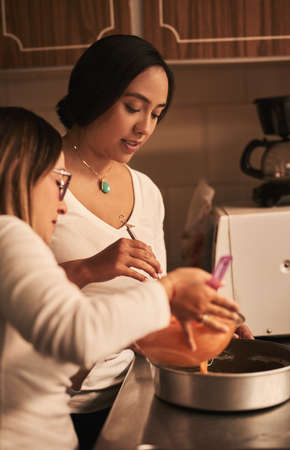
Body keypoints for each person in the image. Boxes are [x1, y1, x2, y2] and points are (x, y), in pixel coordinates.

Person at [51, 34, 253, 447]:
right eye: (132, 107)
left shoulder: (146, 191)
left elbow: (148, 306)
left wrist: (201, 322)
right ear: (95, 94)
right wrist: (89, 269)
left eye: (157, 114)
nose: (145, 128)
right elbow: (14, 300)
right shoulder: (39, 178)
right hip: (58, 408)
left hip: (134, 394)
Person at [0, 106, 241, 450]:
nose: (63, 204)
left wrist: (143, 335)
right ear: (19, 175)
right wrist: (169, 290)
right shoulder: (9, 233)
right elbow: (78, 334)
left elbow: (45, 366)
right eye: (57, 182)